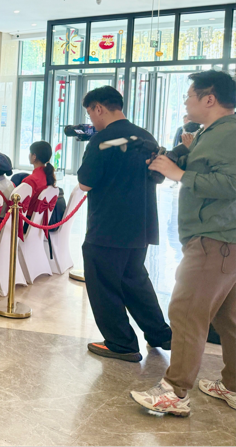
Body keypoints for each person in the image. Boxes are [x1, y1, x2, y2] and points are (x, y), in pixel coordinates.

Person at [131, 70, 236, 416]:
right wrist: (181, 158)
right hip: (223, 239)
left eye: (189, 95)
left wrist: (179, 174)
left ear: (210, 99)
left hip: (214, 239)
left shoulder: (229, 133)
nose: (185, 101)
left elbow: (231, 184)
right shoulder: (212, 132)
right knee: (228, 319)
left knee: (187, 312)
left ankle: (175, 392)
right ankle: (233, 385)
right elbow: (210, 170)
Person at [77, 86, 171, 362]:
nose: (92, 120)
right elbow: (158, 176)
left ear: (98, 108)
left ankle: (121, 343)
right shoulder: (146, 136)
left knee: (103, 284)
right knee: (134, 280)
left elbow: (85, 183)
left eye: (90, 113)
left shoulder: (102, 140)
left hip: (108, 226)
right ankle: (160, 334)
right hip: (140, 224)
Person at [21, 141, 56, 218]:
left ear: (34, 156)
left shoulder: (30, 180)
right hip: (41, 221)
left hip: (26, 221)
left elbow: (20, 207)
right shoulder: (50, 176)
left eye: (30, 153)